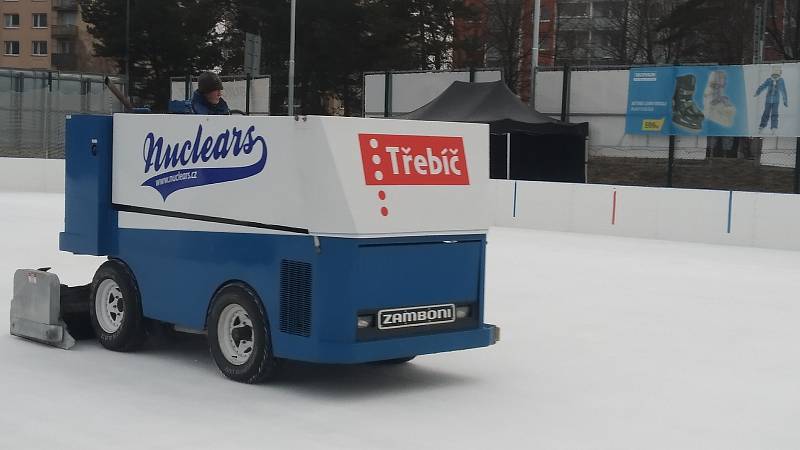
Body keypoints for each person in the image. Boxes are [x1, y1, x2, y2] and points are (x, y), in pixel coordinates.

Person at [754, 66, 788, 133]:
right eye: (774, 75)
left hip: (776, 101)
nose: (775, 77)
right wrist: (757, 92)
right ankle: (762, 126)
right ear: (772, 74)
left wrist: (785, 101)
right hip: (768, 100)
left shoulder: (781, 81)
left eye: (776, 75)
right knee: (766, 112)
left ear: (779, 74)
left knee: (774, 114)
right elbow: (763, 86)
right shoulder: (769, 80)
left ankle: (774, 127)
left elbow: (783, 90)